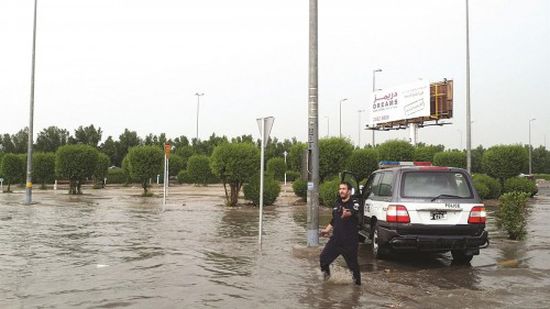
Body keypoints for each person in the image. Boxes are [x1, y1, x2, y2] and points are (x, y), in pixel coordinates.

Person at [319, 181, 361, 285]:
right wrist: (327, 229)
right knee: (323, 259)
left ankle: (357, 290)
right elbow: (334, 219)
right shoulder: (337, 203)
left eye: (344, 189)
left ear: (349, 191)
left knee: (353, 268)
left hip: (349, 242)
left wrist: (347, 214)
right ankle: (327, 280)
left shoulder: (355, 203)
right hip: (336, 240)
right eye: (340, 189)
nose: (341, 191)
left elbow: (354, 212)